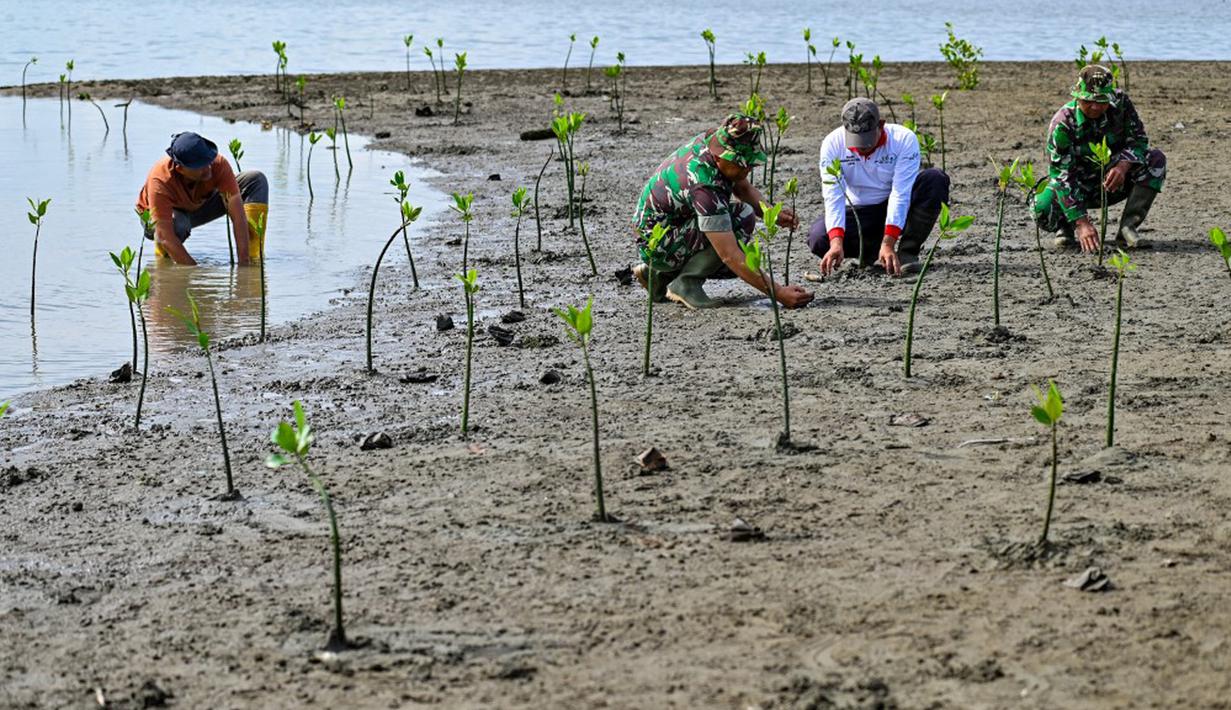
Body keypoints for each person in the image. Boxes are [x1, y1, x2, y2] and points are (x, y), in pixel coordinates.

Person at [631, 112, 813, 310]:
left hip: (669, 229)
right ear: (720, 157)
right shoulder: (704, 185)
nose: (748, 169)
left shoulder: (713, 140)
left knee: (737, 221)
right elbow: (729, 254)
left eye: (751, 163)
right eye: (742, 163)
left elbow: (742, 187)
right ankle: (685, 283)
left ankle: (656, 275)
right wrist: (779, 293)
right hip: (656, 244)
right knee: (741, 219)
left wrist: (772, 214)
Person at [807, 98, 951, 277]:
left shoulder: (903, 139)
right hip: (860, 211)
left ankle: (907, 252)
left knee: (934, 179)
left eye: (867, 140)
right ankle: (870, 253)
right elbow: (833, 196)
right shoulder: (832, 143)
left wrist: (889, 243)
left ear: (881, 125)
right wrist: (836, 243)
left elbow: (900, 194)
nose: (862, 148)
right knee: (819, 238)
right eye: (855, 141)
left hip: (900, 207)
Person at [1035, 65, 1165, 251]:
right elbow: (1062, 177)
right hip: (1078, 186)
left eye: (1102, 101)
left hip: (1112, 181)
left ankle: (1127, 229)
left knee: (1155, 160)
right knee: (1041, 205)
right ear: (1078, 97)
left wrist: (1123, 166)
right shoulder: (1062, 124)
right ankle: (1066, 228)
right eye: (1089, 100)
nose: (1095, 107)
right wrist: (1081, 222)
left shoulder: (1121, 104)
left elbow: (1139, 141)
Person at [136, 132, 269, 266]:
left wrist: (244, 266)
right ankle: (164, 262)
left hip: (198, 205)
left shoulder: (217, 164)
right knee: (178, 225)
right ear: (180, 169)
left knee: (255, 180)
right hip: (162, 221)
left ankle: (254, 258)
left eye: (208, 160)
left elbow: (238, 216)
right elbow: (164, 236)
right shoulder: (160, 180)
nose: (208, 168)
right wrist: (194, 271)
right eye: (200, 166)